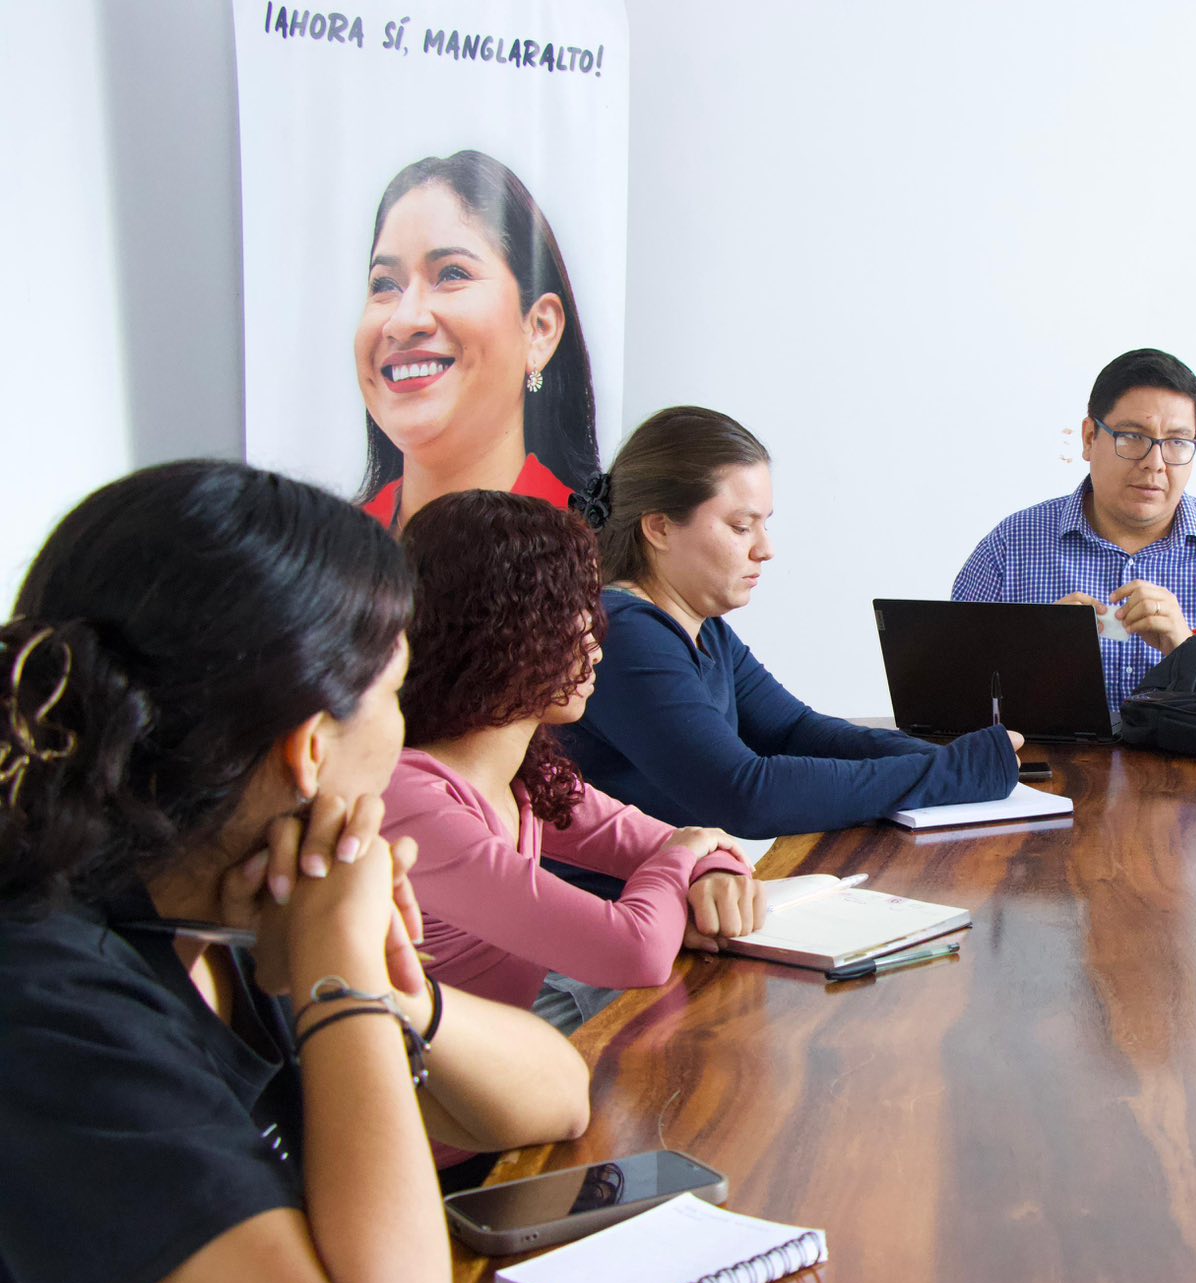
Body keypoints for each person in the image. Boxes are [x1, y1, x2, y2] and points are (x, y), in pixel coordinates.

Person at [0, 461, 590, 1283]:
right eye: (396, 694)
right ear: (311, 750)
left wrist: (391, 989)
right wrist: (340, 976)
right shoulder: (43, 997)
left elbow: (557, 1097)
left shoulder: (227, 903)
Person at [383, 490, 762, 1044]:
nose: (595, 646)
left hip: (500, 1072)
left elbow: (691, 845)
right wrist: (685, 857)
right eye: (568, 615)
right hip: (424, 1092)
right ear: (496, 632)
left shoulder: (528, 774)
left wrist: (711, 869)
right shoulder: (413, 801)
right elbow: (633, 949)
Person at [562, 406, 1021, 840]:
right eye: (741, 526)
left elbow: (793, 731)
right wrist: (953, 772)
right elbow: (746, 795)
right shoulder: (624, 633)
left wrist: (945, 758)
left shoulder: (703, 627)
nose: (765, 549)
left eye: (765, 524)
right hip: (618, 896)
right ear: (659, 527)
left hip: (679, 886)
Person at [952, 348, 1196, 714]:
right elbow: (948, 699)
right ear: (1089, 437)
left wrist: (1190, 650)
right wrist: (1029, 655)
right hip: (1046, 755)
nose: (1155, 464)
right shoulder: (1012, 546)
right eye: (1133, 437)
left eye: (1177, 442)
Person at [354, 149, 600, 531]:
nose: (403, 320)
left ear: (540, 329)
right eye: (385, 284)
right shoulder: (321, 554)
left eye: (452, 274)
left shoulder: (601, 552)